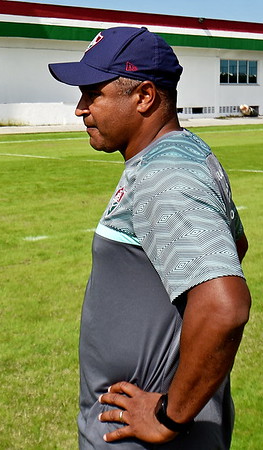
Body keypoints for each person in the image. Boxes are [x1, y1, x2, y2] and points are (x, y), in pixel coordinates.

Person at [49, 27, 251, 448]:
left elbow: (224, 306)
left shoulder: (167, 173)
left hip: (146, 433)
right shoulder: (179, 153)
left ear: (144, 96)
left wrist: (166, 416)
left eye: (93, 94)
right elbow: (234, 248)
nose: (80, 109)